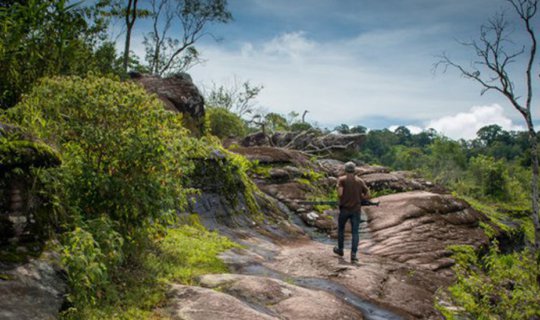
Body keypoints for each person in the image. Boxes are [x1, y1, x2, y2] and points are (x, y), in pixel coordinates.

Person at [333, 161, 370, 262]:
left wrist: (338, 188)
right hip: (356, 210)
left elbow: (340, 194)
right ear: (354, 170)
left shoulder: (342, 180)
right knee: (355, 232)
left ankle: (340, 250)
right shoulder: (360, 181)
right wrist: (360, 198)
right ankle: (353, 255)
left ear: (345, 169)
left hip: (344, 209)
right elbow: (367, 194)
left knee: (341, 230)